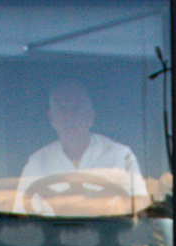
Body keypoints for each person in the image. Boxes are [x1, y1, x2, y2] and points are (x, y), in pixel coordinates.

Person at [13, 81, 147, 217]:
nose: (69, 117)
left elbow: (139, 208)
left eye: (76, 109)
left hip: (108, 235)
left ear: (90, 117)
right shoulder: (38, 162)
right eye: (62, 110)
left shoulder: (121, 156)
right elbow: (22, 216)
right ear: (52, 118)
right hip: (52, 237)